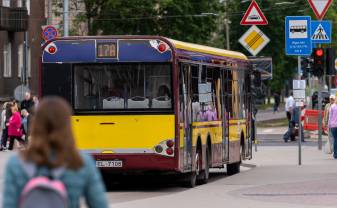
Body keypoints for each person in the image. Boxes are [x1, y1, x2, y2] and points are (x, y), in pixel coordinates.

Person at [2, 97, 108, 208]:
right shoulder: (80, 162)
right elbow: (99, 204)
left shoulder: (16, 164)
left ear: (36, 124)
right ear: (67, 125)